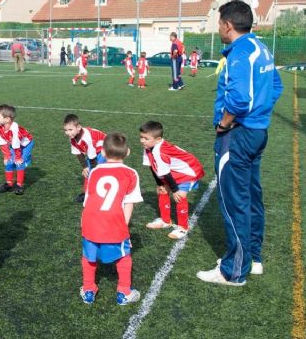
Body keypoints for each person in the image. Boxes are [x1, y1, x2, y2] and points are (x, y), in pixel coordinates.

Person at [197, 0, 283, 286]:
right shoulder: (261, 47)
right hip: (257, 133)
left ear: (228, 25)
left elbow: (238, 99)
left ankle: (234, 271)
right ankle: (252, 258)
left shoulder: (239, 52)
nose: (219, 29)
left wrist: (225, 124)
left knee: (235, 201)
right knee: (251, 196)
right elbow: (276, 86)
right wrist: (260, 113)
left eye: (219, 24)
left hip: (238, 135)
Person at [79, 132, 142, 305]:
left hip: (89, 221)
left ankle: (88, 290)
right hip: (113, 222)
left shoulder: (94, 171)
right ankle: (124, 292)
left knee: (89, 255)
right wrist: (124, 228)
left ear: (102, 152)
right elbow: (129, 203)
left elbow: (88, 200)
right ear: (127, 152)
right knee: (123, 255)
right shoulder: (131, 173)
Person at [140, 121, 205, 240]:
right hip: (173, 172)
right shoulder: (148, 147)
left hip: (188, 172)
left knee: (180, 196)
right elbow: (152, 166)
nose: (142, 141)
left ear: (158, 139)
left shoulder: (160, 151)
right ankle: (165, 221)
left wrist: (175, 190)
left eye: (146, 138)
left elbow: (165, 172)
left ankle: (183, 228)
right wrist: (160, 183)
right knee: (162, 190)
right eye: (141, 137)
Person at [63, 114, 107, 203]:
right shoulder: (72, 138)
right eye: (65, 130)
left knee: (95, 171)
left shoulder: (87, 137)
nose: (68, 133)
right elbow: (78, 153)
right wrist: (85, 167)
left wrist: (90, 170)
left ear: (78, 127)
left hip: (106, 148)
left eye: (70, 130)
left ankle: (95, 193)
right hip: (96, 151)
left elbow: (92, 158)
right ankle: (87, 193)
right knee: (88, 172)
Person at [0, 104, 35, 196]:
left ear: (7, 119)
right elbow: (2, 142)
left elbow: (17, 145)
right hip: (15, 145)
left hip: (26, 144)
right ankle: (9, 184)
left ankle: (19, 185)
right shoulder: (0, 126)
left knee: (19, 163)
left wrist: (18, 158)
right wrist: (6, 156)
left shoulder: (14, 128)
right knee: (9, 162)